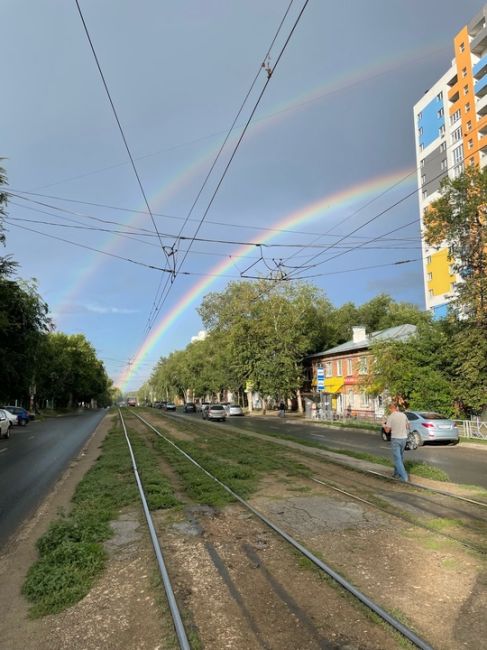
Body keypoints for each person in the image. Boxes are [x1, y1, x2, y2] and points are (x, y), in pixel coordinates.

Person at [383, 402, 410, 482]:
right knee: (400, 457)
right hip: (404, 438)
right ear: (396, 408)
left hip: (395, 439)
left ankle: (404, 477)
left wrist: (383, 424)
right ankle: (396, 474)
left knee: (397, 459)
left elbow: (387, 431)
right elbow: (408, 426)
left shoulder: (390, 417)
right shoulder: (403, 415)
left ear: (390, 409)